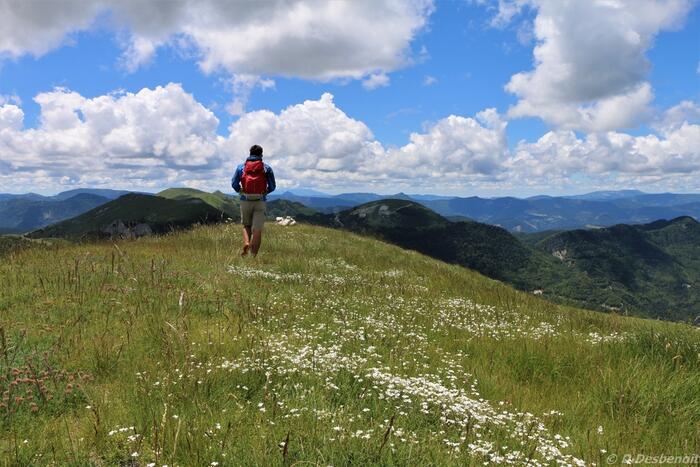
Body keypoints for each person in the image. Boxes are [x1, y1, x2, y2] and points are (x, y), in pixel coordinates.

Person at [231, 145, 276, 257]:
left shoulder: (241, 167)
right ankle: (253, 256)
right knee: (257, 230)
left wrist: (240, 190)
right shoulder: (266, 168)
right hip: (260, 200)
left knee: (246, 225)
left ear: (250, 153)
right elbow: (272, 186)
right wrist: (265, 192)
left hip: (245, 199)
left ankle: (246, 242)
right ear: (261, 154)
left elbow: (234, 184)